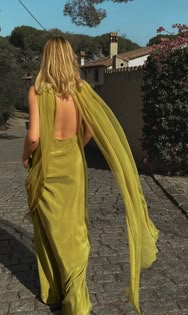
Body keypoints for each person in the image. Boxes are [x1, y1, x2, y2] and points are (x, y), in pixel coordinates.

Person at [22, 36, 159, 315]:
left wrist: (25, 155)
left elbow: (34, 136)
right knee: (74, 230)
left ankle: (65, 296)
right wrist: (75, 147)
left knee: (53, 231)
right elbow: (90, 131)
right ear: (69, 58)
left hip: (47, 169)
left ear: (46, 58)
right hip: (73, 167)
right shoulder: (81, 90)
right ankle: (70, 292)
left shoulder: (37, 91)